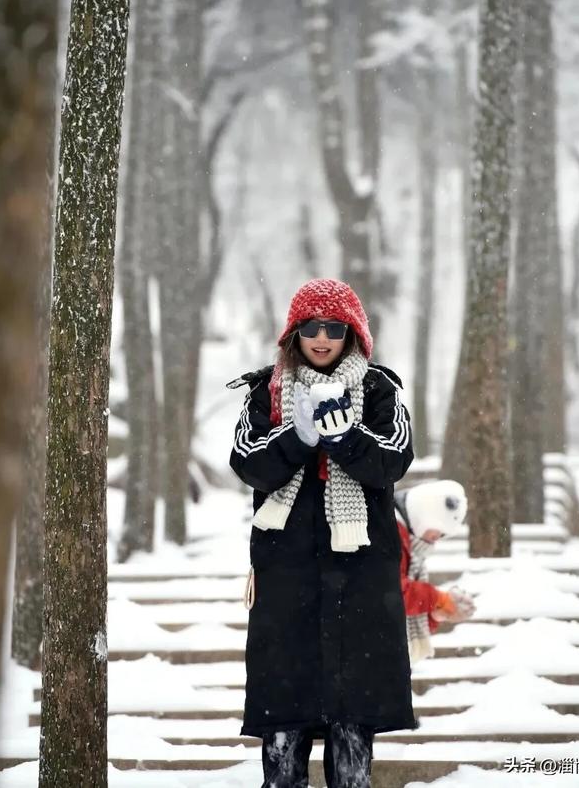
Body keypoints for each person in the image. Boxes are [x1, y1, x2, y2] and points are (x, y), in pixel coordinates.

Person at [227, 278, 415, 788]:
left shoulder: (380, 389)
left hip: (360, 574)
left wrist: (345, 437)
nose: (323, 338)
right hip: (287, 574)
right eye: (312, 327)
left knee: (353, 719)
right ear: (295, 332)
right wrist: (300, 436)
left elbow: (392, 461)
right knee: (285, 717)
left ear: (353, 333)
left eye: (336, 328)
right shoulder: (266, 392)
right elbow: (250, 464)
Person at [394, 480, 476, 663]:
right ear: (425, 515)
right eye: (437, 532)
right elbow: (390, 591)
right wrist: (436, 599)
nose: (435, 540)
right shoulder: (390, 530)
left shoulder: (410, 540)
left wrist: (434, 614)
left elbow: (401, 613)